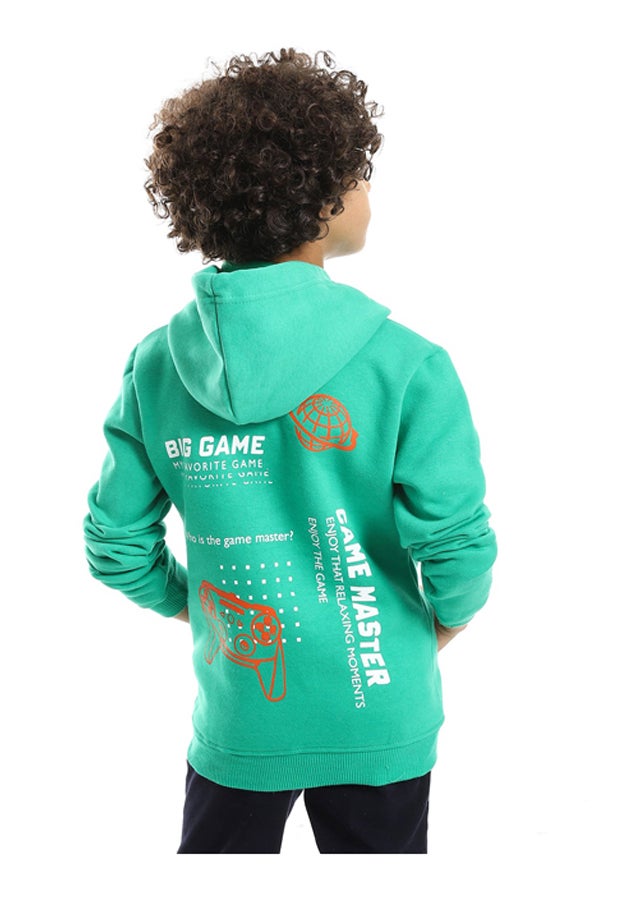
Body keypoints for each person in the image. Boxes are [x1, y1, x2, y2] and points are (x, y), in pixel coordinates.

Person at [83, 49, 497, 854]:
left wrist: (199, 607)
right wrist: (441, 622)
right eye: (360, 175)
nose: (368, 194)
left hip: (243, 714)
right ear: (320, 200)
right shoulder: (406, 364)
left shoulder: (156, 367)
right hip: (380, 703)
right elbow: (456, 545)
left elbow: (116, 544)